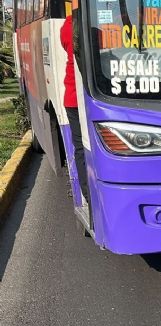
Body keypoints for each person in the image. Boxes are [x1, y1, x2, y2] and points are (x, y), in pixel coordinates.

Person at [61, 14, 90, 222]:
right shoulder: (96, 22)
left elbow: (66, 45)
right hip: (84, 98)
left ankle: (88, 195)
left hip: (72, 97)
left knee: (80, 148)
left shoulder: (68, 25)